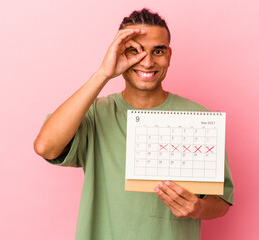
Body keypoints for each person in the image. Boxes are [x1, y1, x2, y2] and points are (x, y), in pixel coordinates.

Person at [34, 8, 234, 240]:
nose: (147, 62)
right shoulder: (96, 114)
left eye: (157, 51)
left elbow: (221, 201)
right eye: (134, 51)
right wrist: (103, 73)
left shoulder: (198, 118)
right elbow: (45, 147)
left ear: (169, 54)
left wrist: (198, 208)